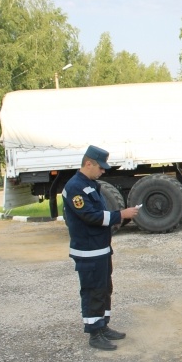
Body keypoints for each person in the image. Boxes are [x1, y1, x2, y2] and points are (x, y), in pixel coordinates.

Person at [63, 145, 139, 351]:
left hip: (100, 248)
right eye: (101, 167)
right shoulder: (75, 187)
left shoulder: (89, 183)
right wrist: (121, 215)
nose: (103, 171)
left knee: (104, 289)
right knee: (93, 291)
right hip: (88, 250)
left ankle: (102, 325)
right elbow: (90, 216)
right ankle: (94, 333)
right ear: (89, 164)